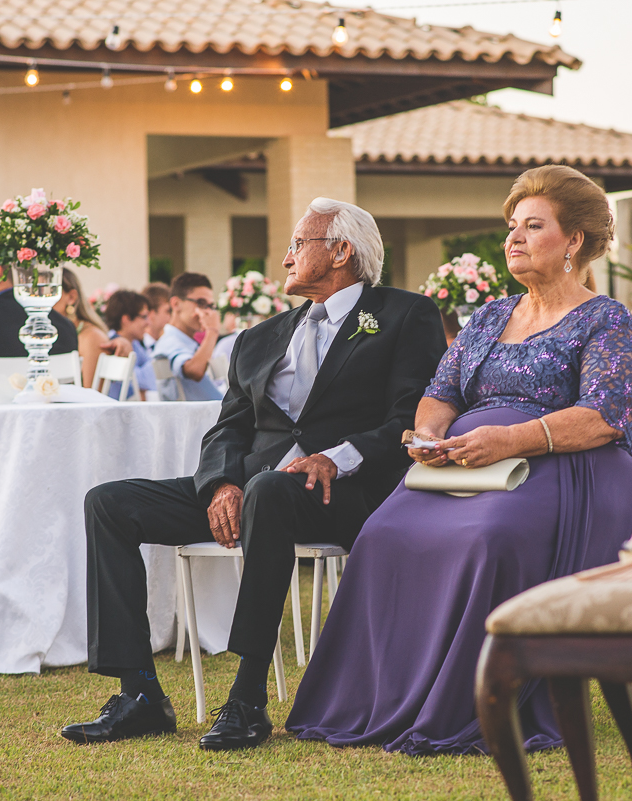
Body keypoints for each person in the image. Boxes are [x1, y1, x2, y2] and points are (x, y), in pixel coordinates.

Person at [286, 165, 632, 755]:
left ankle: (471, 699)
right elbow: (440, 394)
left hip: (572, 468)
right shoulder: (487, 317)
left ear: (575, 241)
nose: (514, 237)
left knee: (492, 537)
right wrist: (428, 437)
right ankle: (381, 699)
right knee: (382, 532)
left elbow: (606, 417)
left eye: (533, 226)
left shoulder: (606, 319)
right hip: (463, 464)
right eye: (513, 225)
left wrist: (508, 440)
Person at [61, 198, 444, 751]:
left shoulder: (406, 314)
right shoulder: (261, 336)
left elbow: (411, 416)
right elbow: (227, 428)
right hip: (251, 485)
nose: (285, 258)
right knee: (109, 503)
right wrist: (220, 483)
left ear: (341, 251)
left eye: (297, 244)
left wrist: (337, 456)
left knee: (270, 488)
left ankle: (246, 699)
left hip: (342, 491)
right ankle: (140, 693)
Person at [151, 274, 225, 401]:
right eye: (201, 303)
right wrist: (212, 331)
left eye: (210, 306)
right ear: (176, 304)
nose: (207, 311)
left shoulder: (184, 340)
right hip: (201, 418)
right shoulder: (170, 341)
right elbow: (194, 371)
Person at [53, 268, 130, 389]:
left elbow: (93, 400)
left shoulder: (91, 338)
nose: (40, 299)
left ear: (71, 297)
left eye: (49, 292)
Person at [103, 290, 155, 397]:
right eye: (144, 317)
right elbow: (145, 381)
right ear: (126, 319)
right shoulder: (114, 346)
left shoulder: (134, 344)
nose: (148, 322)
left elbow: (150, 377)